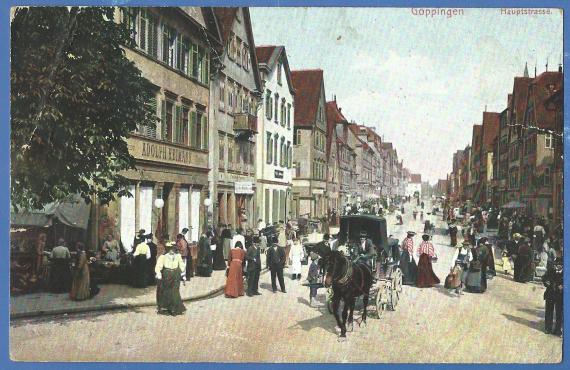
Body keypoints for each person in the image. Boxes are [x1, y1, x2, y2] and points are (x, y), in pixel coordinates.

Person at [155, 241, 186, 316]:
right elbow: (158, 266)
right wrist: (158, 273)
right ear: (167, 249)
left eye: (173, 249)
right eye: (170, 249)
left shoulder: (178, 256)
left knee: (175, 291)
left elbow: (181, 265)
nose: (172, 251)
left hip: (176, 274)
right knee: (167, 291)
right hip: (167, 274)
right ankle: (167, 307)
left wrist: (183, 274)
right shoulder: (163, 256)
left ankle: (175, 308)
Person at [542, 247, 563, 336]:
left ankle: (558, 330)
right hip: (550, 293)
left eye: (560, 264)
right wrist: (546, 282)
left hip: (560, 295)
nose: (557, 266)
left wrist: (564, 286)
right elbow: (544, 277)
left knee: (559, 313)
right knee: (549, 312)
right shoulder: (551, 269)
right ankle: (548, 328)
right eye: (556, 264)